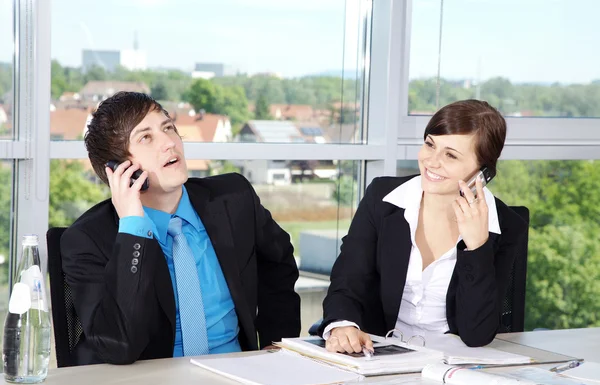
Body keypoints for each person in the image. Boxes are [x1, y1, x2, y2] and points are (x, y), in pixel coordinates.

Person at [61, 91, 301, 365]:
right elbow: (119, 347)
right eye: (146, 137)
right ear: (118, 169)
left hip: (238, 376)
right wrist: (133, 230)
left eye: (168, 128)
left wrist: (276, 351)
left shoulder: (234, 199)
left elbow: (279, 264)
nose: (169, 143)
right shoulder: (87, 240)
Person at [319, 99, 528, 354]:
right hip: (377, 353)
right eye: (430, 144)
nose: (432, 161)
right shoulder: (383, 199)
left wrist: (477, 248)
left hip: (451, 364)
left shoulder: (505, 227)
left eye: (450, 155)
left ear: (482, 172)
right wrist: (343, 326)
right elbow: (348, 280)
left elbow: (477, 334)